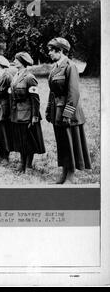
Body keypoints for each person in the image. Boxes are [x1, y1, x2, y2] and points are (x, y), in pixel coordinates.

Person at [46, 37, 91, 184]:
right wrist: (48, 109)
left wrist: (67, 114)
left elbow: (74, 92)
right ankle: (64, 172)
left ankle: (71, 175)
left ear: (60, 51)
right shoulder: (54, 68)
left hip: (68, 111)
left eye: (51, 51)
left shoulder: (70, 66)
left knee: (70, 142)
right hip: (57, 110)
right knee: (62, 142)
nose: (49, 53)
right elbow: (52, 91)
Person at [9, 52, 46, 173]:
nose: (14, 61)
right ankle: (22, 162)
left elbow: (35, 99)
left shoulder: (30, 77)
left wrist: (34, 116)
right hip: (16, 113)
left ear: (22, 62)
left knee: (28, 140)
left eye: (16, 60)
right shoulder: (15, 76)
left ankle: (28, 165)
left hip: (27, 113)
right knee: (20, 139)